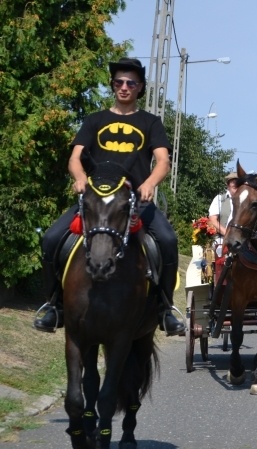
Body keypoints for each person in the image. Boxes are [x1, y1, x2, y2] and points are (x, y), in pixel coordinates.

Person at [33, 57, 185, 336]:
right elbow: (75, 158)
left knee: (168, 240)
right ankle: (54, 306)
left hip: (135, 201)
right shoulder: (95, 120)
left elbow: (163, 160)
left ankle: (165, 309)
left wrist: (150, 182)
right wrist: (80, 178)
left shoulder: (151, 122)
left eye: (131, 82)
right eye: (119, 82)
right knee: (51, 238)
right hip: (95, 200)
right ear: (113, 86)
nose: (124, 87)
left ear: (140, 88)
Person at [208, 171, 239, 256]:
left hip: (240, 241)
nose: (236, 183)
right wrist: (228, 234)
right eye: (233, 181)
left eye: (238, 181)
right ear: (228, 185)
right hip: (221, 239)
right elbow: (213, 220)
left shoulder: (245, 202)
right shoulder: (220, 199)